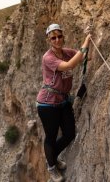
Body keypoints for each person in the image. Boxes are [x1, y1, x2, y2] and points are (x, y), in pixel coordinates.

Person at [36, 23, 91, 182]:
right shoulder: (48, 58)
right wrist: (85, 42)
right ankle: (52, 166)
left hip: (63, 101)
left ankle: (51, 157)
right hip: (47, 104)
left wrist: (90, 41)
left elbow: (83, 56)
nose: (57, 40)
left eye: (59, 36)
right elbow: (70, 65)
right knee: (51, 137)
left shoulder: (66, 52)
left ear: (63, 36)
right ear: (49, 40)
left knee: (69, 134)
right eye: (53, 38)